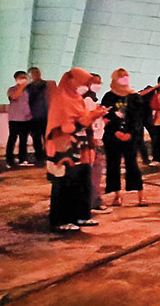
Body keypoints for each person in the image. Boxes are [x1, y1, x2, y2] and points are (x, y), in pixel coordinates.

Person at [46, 68, 107, 231]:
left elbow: (83, 120)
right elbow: (66, 127)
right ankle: (61, 219)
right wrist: (89, 118)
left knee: (83, 181)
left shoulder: (78, 99)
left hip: (81, 148)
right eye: (82, 83)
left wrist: (93, 116)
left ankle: (82, 215)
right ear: (70, 80)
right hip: (64, 149)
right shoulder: (61, 99)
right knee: (66, 183)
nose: (85, 87)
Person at [101, 68, 149, 207]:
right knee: (113, 164)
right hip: (113, 136)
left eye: (126, 77)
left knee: (132, 164)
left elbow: (139, 118)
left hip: (130, 136)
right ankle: (116, 195)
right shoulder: (109, 96)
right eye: (121, 77)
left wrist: (131, 133)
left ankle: (140, 195)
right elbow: (106, 115)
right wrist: (115, 131)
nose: (124, 79)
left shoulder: (134, 96)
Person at [83, 74, 111, 213]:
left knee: (96, 171)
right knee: (95, 171)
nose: (98, 85)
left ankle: (93, 200)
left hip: (96, 137)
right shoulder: (87, 99)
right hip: (93, 139)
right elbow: (87, 120)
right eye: (95, 82)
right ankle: (93, 201)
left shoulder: (91, 99)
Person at [27, 67, 55, 166]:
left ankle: (49, 156)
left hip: (46, 115)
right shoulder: (28, 88)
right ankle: (39, 157)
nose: (36, 75)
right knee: (36, 138)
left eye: (37, 72)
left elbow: (52, 97)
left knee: (48, 137)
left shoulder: (47, 85)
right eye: (33, 73)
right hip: (34, 117)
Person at [6, 71, 33, 167]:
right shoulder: (12, 89)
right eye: (21, 77)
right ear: (16, 79)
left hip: (26, 118)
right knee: (12, 138)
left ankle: (23, 158)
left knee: (23, 139)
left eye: (25, 77)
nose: (24, 79)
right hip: (14, 118)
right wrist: (21, 86)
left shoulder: (29, 90)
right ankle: (9, 160)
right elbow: (14, 97)